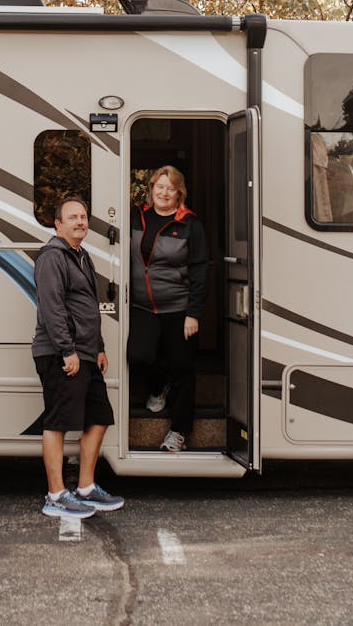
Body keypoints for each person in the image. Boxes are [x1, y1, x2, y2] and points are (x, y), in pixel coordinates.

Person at [31, 196, 124, 518]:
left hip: (85, 353)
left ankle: (85, 487)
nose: (80, 222)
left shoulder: (81, 256)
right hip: (60, 353)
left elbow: (88, 306)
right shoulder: (51, 258)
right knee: (57, 422)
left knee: (99, 418)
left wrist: (97, 347)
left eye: (83, 217)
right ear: (58, 224)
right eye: (72, 217)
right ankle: (55, 495)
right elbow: (52, 307)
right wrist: (67, 350)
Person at [127, 166, 208, 452]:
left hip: (179, 308)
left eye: (170, 188)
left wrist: (193, 313)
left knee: (182, 369)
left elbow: (199, 271)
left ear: (179, 194)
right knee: (139, 356)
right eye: (159, 187)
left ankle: (179, 432)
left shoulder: (190, 225)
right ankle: (158, 389)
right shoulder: (135, 217)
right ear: (151, 189)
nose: (164, 193)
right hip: (141, 306)